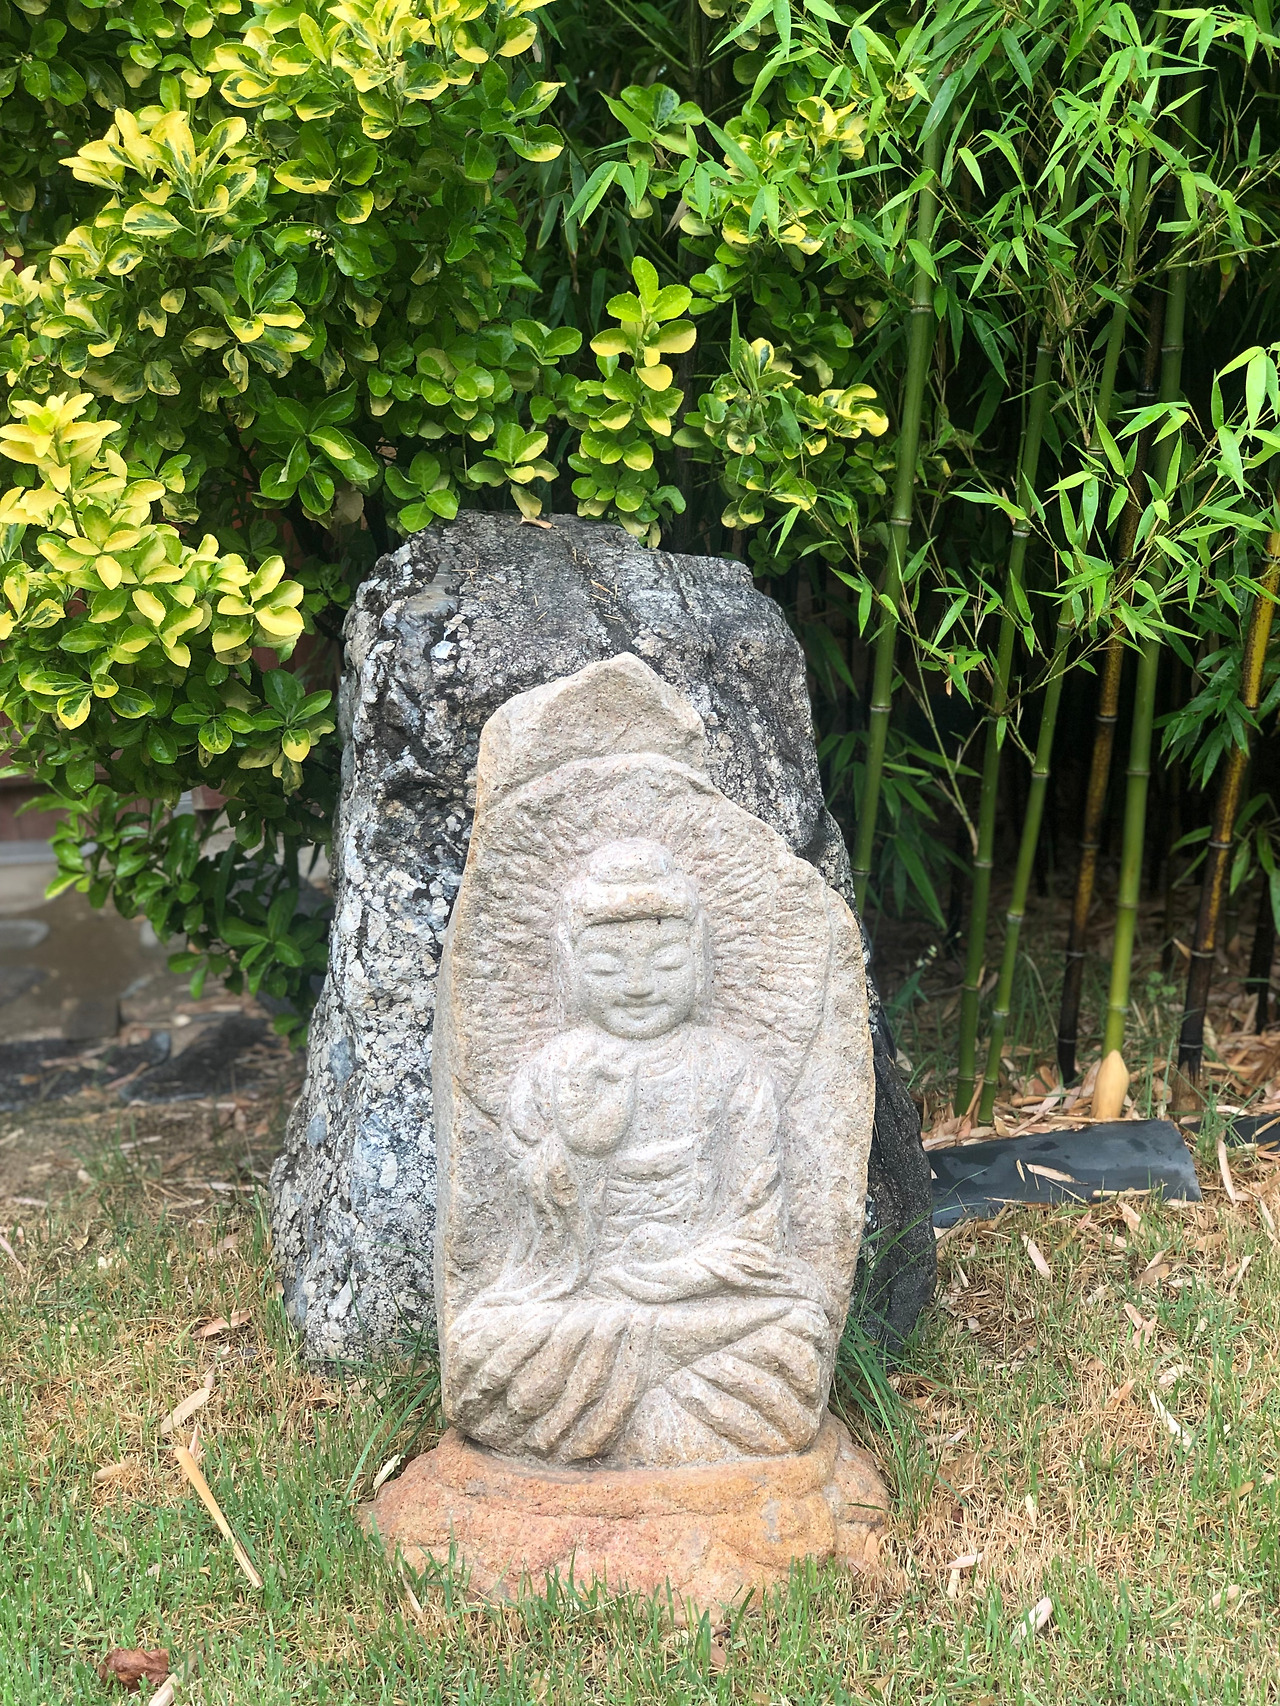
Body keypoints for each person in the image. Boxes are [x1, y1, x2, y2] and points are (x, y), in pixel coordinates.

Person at [443, 839, 833, 1466]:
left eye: (666, 962)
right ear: (570, 967)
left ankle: (604, 1420)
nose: (637, 986)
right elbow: (534, 1232)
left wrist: (680, 1273)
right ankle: (677, 1418)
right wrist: (580, 1153)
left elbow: (758, 1231)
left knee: (795, 1331)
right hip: (580, 1298)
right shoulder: (551, 1075)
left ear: (699, 961)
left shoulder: (733, 1072)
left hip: (700, 1300)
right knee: (479, 1346)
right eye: (606, 968)